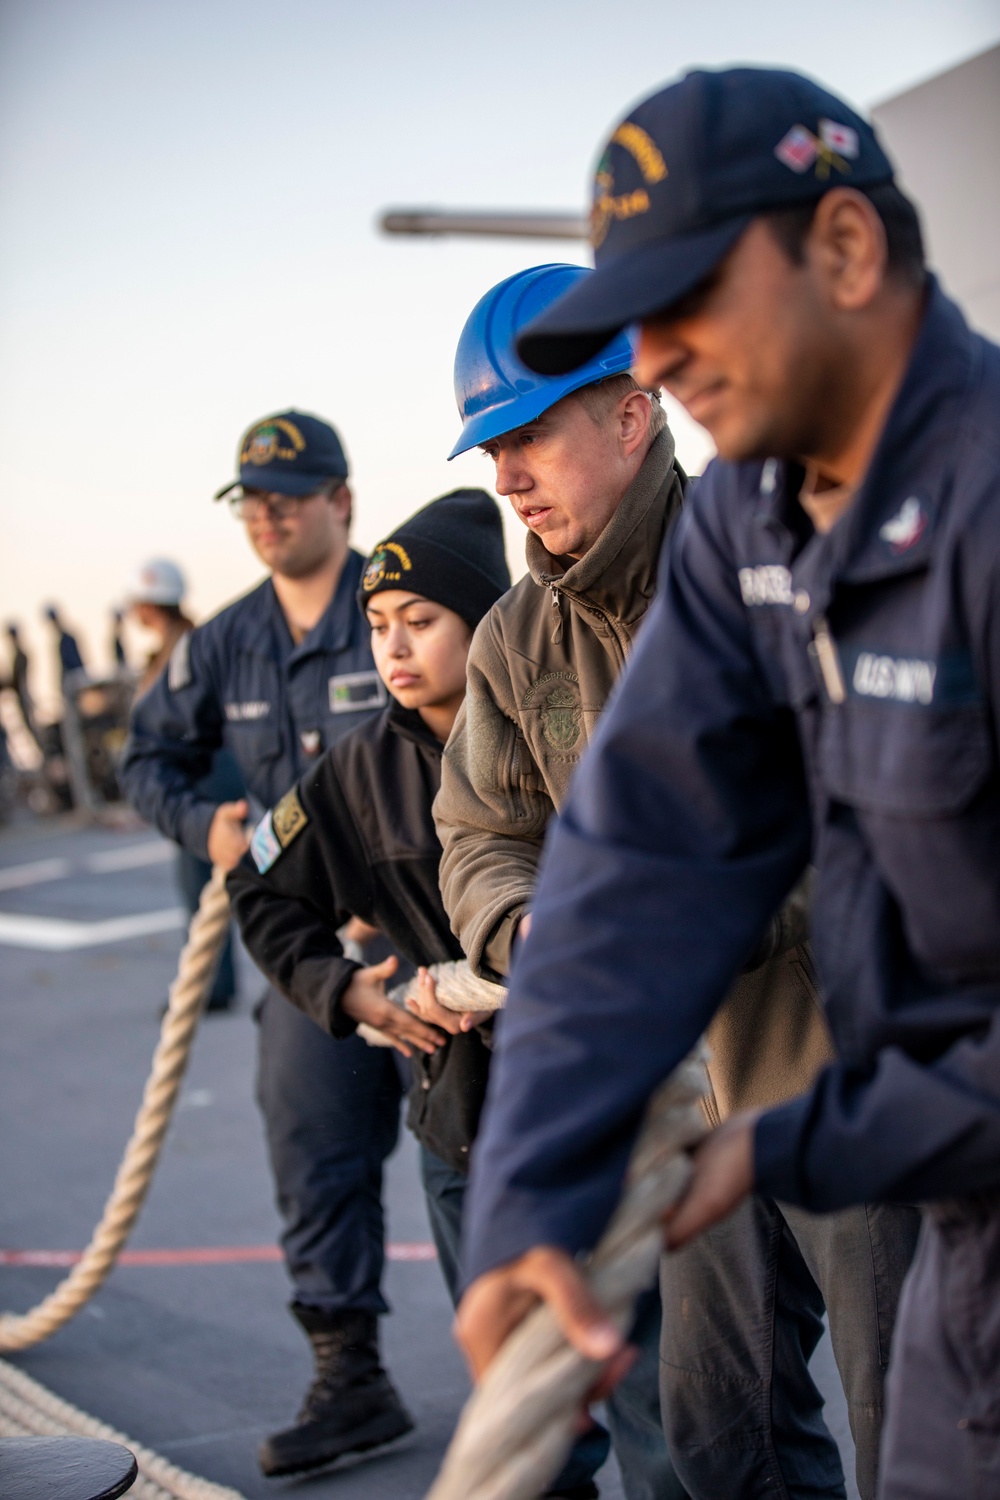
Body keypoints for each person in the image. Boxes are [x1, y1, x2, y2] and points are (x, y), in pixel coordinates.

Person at [454, 67, 1000, 1500]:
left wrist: (800, 1135)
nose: (656, 355)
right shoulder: (749, 526)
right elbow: (639, 860)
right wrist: (536, 1184)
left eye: (689, 297)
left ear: (845, 249)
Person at [223, 491, 629, 1489]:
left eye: (420, 621)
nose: (393, 649)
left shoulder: (565, 729)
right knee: (530, 1407)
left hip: (603, 1105)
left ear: (484, 619)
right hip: (462, 1116)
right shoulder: (352, 775)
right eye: (376, 627)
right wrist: (351, 995)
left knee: (663, 1390)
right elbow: (261, 889)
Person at [120, 410, 410, 1478]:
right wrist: (209, 826)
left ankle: (542, 1407)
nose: (267, 513)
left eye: (289, 494)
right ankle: (352, 1378)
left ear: (342, 500)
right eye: (251, 498)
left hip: (429, 933)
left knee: (479, 1159)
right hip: (307, 954)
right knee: (312, 1149)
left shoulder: (404, 602)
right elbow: (146, 753)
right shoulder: (226, 641)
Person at [125, 558, 240, 1012]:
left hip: (204, 773)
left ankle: (212, 988)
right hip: (203, 771)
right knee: (200, 886)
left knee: (203, 886)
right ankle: (211, 984)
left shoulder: (185, 650)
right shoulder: (182, 646)